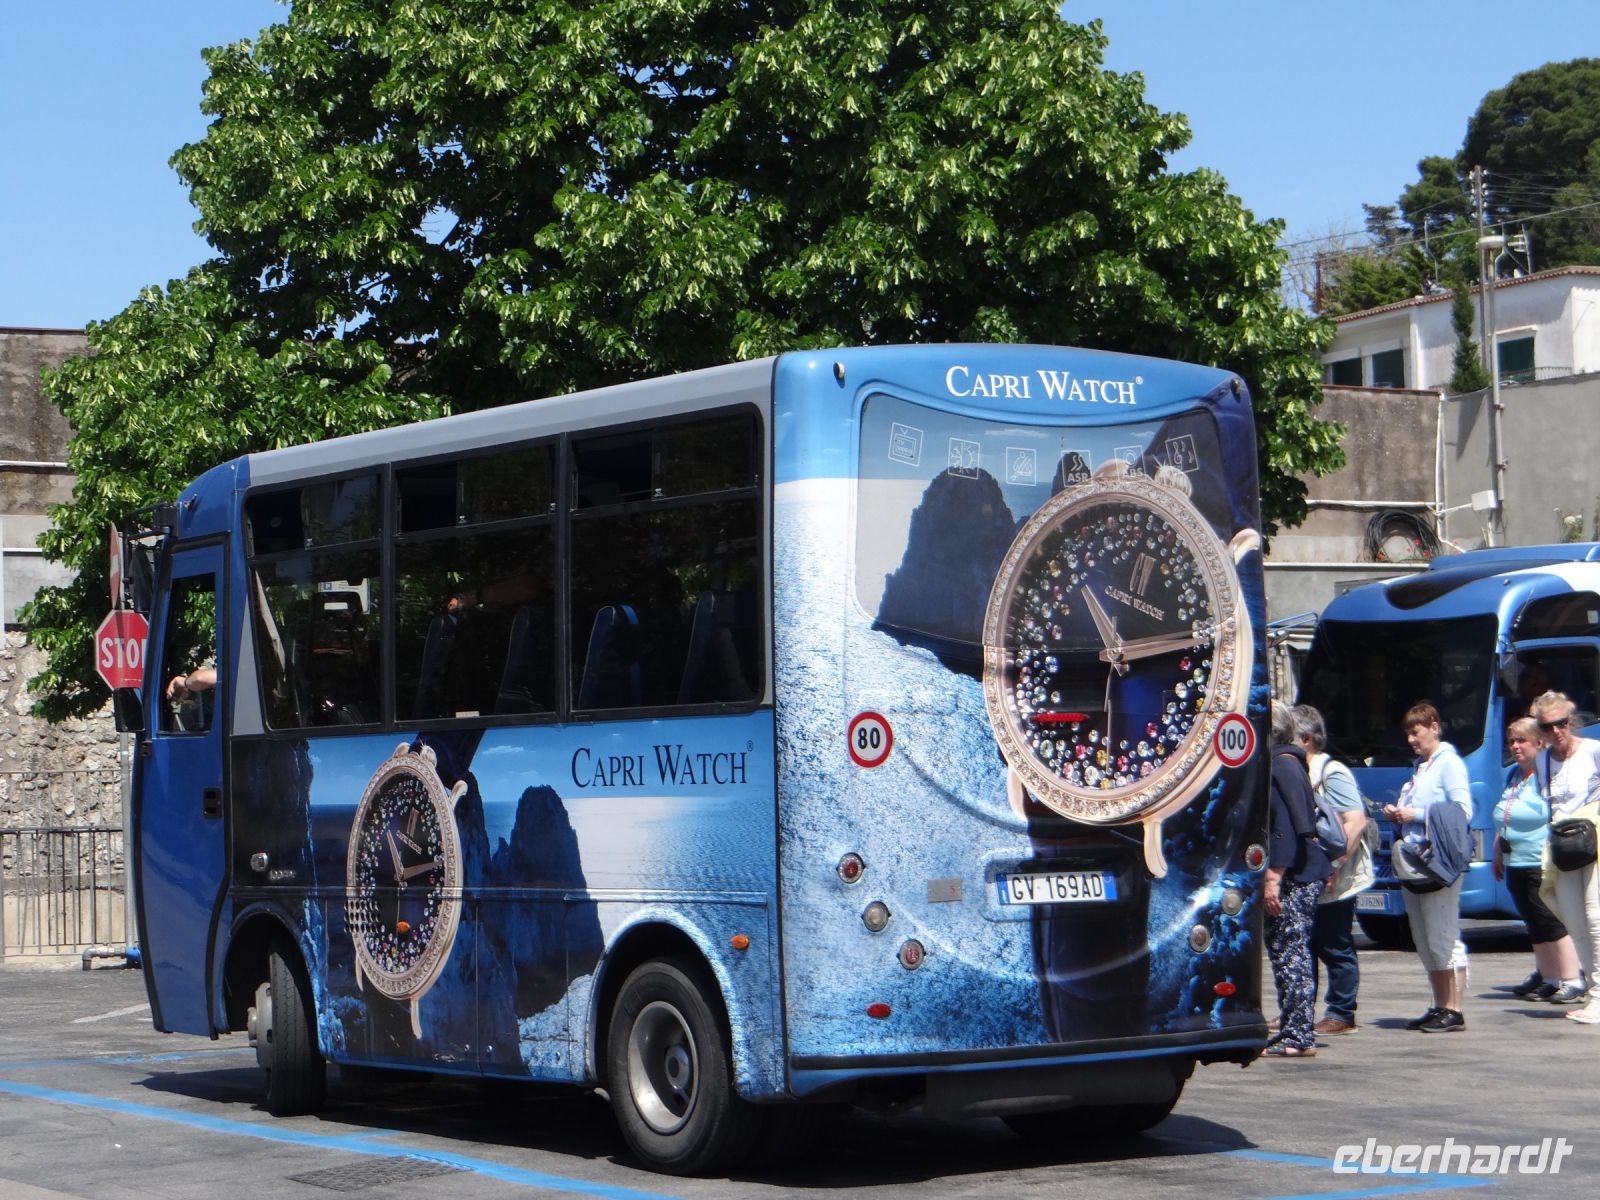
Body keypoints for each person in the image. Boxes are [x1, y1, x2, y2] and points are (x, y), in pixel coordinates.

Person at [1383, 701, 1472, 1032]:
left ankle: (1454, 1008)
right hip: (1414, 862)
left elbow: (1462, 810)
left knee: (1443, 935)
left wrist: (1415, 815)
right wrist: (1397, 813)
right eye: (1407, 733)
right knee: (1424, 936)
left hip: (1438, 862)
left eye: (1415, 732)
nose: (1410, 739)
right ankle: (1438, 1005)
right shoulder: (1421, 766)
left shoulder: (1449, 763)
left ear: (1435, 727)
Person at [1492, 715, 1585, 1003]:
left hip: (1538, 859)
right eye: (1511, 741)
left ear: (1538, 743)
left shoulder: (1546, 776)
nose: (1515, 746)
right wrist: (1497, 851)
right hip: (1515, 861)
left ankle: (1572, 979)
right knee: (1533, 923)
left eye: (1522, 740)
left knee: (1550, 921)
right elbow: (1504, 817)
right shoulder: (1515, 775)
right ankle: (1550, 977)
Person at [1293, 704, 1369, 1035]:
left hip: (1338, 876)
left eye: (1287, 736)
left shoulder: (1331, 772)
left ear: (1307, 739)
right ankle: (1298, 1010)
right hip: (1313, 873)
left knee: (1335, 944)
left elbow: (1356, 821)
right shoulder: (1300, 769)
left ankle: (1342, 1012)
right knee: (1306, 944)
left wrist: (1334, 865)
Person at [1264, 701, 1333, 1057]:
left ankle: (1298, 1035)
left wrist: (1274, 876)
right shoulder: (1290, 762)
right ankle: (1293, 1028)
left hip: (1295, 874)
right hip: (1300, 871)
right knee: (1285, 952)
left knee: (1292, 954)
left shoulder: (1282, 765)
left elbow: (1289, 827)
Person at [1528, 691, 1600, 1025]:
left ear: (1570, 721)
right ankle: (1591, 990)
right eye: (1548, 726)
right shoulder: (1543, 761)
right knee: (1573, 920)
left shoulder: (1594, 751)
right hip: (1562, 849)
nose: (1557, 731)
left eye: (1562, 723)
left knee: (1595, 917)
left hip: (1593, 844)